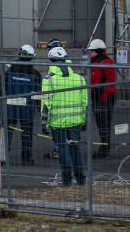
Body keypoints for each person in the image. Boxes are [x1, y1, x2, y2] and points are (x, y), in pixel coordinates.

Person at [41, 46, 88, 186]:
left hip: (57, 122)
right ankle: (80, 180)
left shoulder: (48, 80)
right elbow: (84, 102)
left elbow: (45, 103)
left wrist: (44, 122)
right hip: (75, 121)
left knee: (63, 150)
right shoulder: (79, 79)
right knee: (75, 149)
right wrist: (83, 120)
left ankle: (67, 181)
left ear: (51, 60)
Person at [0, 44, 41, 165]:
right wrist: (41, 111)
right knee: (27, 134)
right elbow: (39, 96)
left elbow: (0, 87)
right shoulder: (35, 74)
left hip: (11, 106)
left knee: (7, 132)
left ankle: (2, 157)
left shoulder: (8, 70)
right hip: (27, 109)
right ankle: (26, 158)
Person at [87, 38, 116, 159]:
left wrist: (91, 99)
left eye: (91, 51)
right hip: (109, 96)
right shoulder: (109, 61)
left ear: (96, 51)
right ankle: (105, 149)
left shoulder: (98, 64)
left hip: (101, 98)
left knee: (102, 125)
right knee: (106, 125)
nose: (89, 52)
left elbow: (97, 84)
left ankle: (104, 151)